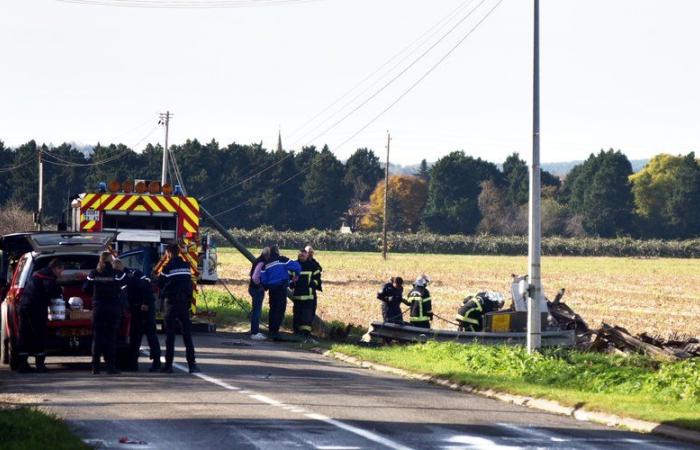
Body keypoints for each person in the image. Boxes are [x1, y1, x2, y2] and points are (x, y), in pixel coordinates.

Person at [158, 244, 200, 374]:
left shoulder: (167, 267)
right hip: (183, 303)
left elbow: (160, 283)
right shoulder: (186, 266)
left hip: (171, 303)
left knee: (170, 335)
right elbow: (189, 283)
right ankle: (192, 365)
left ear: (169, 253)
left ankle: (168, 365)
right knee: (187, 334)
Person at [17, 258, 64, 373]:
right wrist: (60, 289)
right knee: (39, 334)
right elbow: (51, 291)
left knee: (25, 334)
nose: (60, 273)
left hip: (24, 306)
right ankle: (40, 365)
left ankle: (23, 364)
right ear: (56, 268)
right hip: (36, 308)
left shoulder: (38, 273)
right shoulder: (48, 276)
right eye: (60, 271)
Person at [83, 252, 126, 375]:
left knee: (97, 337)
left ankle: (95, 367)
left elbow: (85, 288)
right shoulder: (116, 274)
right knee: (111, 338)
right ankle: (110, 367)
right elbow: (123, 284)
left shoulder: (94, 274)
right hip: (113, 308)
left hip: (98, 308)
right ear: (110, 260)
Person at [115, 260, 161, 372]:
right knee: (135, 336)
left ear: (120, 266)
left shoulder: (134, 274)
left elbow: (147, 288)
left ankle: (156, 362)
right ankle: (133, 364)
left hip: (145, 307)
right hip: (135, 308)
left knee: (150, 336)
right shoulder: (121, 277)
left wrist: (145, 303)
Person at [260, 245, 301, 341]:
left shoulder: (266, 263)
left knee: (273, 309)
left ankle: (271, 331)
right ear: (278, 251)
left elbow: (263, 278)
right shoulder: (283, 260)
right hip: (281, 288)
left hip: (271, 289)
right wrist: (296, 275)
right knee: (280, 310)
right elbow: (297, 266)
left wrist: (267, 285)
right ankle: (275, 332)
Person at [290, 249, 319, 341]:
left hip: (308, 296)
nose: (302, 256)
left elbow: (317, 279)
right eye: (300, 255)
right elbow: (289, 279)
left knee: (307, 316)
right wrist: (292, 282)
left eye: (304, 255)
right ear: (298, 255)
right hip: (297, 296)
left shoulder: (312, 265)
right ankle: (297, 333)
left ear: (307, 256)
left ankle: (305, 334)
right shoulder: (293, 265)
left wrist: (312, 285)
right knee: (297, 315)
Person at [249, 247, 270, 341]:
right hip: (257, 289)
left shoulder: (258, 260)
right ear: (267, 255)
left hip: (253, 288)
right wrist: (260, 285)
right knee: (257, 311)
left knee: (255, 310)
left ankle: (255, 330)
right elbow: (254, 277)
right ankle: (254, 332)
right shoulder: (262, 262)